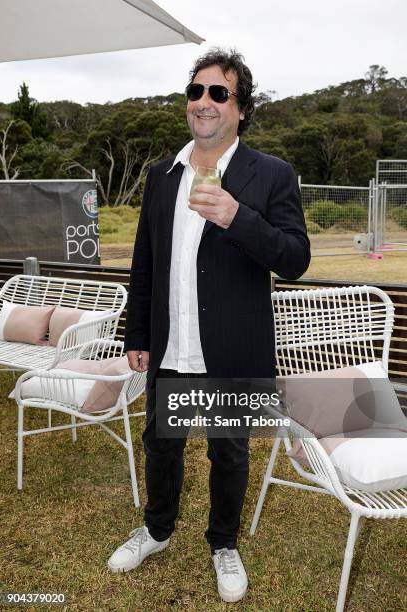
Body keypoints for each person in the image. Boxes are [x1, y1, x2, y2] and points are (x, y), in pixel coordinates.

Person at [107, 48, 310, 603]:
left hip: (233, 346)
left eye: (218, 93)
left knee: (229, 451)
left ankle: (223, 542)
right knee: (161, 445)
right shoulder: (161, 173)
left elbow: (295, 258)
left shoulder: (271, 174)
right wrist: (138, 334)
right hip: (171, 343)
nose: (204, 102)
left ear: (241, 108)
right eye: (196, 91)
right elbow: (144, 261)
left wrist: (237, 217)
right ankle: (156, 528)